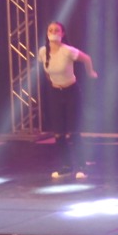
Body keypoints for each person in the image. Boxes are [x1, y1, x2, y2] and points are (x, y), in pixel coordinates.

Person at [42, 21, 98, 180]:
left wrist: (91, 73)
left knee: (73, 132)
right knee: (58, 133)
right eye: (50, 30)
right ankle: (66, 167)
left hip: (71, 92)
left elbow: (87, 59)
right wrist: (54, 82)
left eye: (56, 30)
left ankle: (82, 166)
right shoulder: (43, 52)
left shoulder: (67, 51)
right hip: (55, 93)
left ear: (62, 33)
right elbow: (47, 71)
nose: (53, 32)